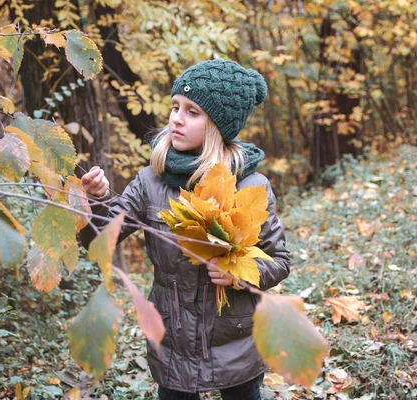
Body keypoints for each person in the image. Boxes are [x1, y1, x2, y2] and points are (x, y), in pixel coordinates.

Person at [79, 59, 290, 400]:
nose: (176, 118)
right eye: (175, 107)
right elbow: (99, 240)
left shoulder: (251, 184)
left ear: (219, 126)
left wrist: (240, 274)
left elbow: (279, 259)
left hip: (237, 338)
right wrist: (100, 199)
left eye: (193, 112)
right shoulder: (150, 181)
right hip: (172, 337)